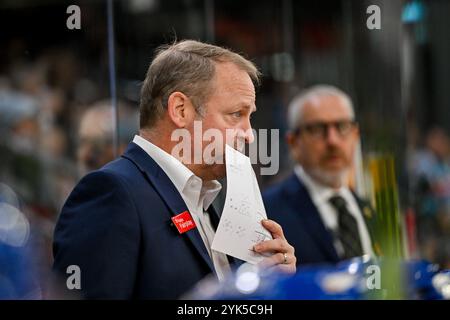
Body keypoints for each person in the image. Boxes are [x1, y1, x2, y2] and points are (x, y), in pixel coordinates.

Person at [52, 40, 296, 299]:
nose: (249, 135)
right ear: (180, 110)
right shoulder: (111, 193)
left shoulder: (203, 198)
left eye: (250, 117)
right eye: (237, 114)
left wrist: (264, 283)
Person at [263, 85, 378, 266]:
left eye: (341, 126)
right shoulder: (269, 212)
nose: (332, 140)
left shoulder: (368, 209)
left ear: (355, 135)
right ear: (293, 142)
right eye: (317, 129)